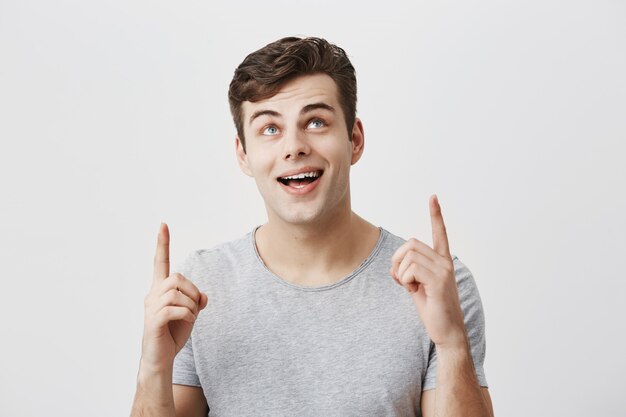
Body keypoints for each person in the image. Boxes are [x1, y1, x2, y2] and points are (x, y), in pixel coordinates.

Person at [130, 36, 494, 417]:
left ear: (354, 140)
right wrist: (153, 367)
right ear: (243, 154)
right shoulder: (201, 284)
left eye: (316, 122)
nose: (294, 146)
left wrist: (452, 344)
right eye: (270, 128)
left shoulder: (436, 286)